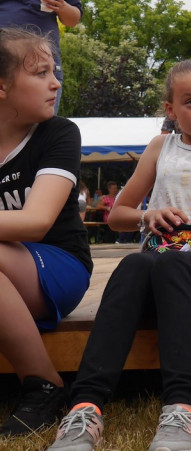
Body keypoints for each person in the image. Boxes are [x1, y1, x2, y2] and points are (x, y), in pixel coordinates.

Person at [47, 59, 191, 451]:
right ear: (170, 109)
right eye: (190, 102)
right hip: (158, 263)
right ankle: (85, 407)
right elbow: (117, 216)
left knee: (170, 263)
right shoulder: (160, 147)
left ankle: (183, 407)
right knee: (135, 261)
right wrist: (148, 214)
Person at [0, 29, 91, 436]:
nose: (55, 82)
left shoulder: (59, 133)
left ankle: (44, 386)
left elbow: (37, 222)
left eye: (54, 71)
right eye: (40, 73)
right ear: (1, 87)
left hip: (57, 265)